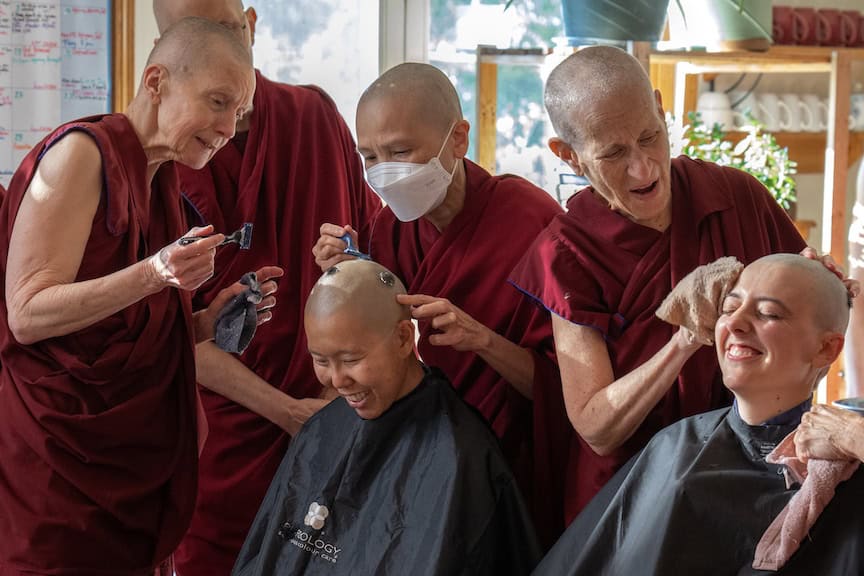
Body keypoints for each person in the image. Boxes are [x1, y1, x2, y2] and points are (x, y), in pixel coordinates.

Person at [0, 18, 279, 576]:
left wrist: (203, 321)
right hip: (59, 469)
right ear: (156, 81)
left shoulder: (160, 179)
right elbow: (27, 314)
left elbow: (125, 328)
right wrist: (156, 273)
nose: (228, 128)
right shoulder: (82, 155)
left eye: (238, 114)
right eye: (218, 102)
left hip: (127, 469)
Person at [508, 45, 808, 521]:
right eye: (613, 153)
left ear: (662, 110)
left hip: (755, 472)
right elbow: (596, 427)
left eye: (650, 136)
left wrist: (823, 287)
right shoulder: (565, 254)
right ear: (569, 156)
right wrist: (685, 340)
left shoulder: (735, 196)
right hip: (634, 496)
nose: (643, 167)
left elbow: (808, 323)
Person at [151, 2, 383, 573]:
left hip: (339, 417)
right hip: (224, 441)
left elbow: (374, 252)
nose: (221, 56)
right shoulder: (161, 163)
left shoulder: (314, 116)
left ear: (252, 24)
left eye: (229, 30)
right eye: (195, 39)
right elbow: (172, 335)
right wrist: (288, 412)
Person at [312, 62, 568, 545]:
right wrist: (347, 275)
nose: (384, 172)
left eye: (401, 151)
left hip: (510, 468)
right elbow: (385, 351)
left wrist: (483, 341)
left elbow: (562, 389)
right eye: (369, 157)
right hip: (421, 460)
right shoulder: (387, 230)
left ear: (458, 138)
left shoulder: (534, 225)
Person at [534, 254, 864, 576]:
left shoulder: (845, 476)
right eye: (729, 308)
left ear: (826, 349)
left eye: (769, 314)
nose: (734, 323)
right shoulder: (675, 448)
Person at [232, 259, 542, 576]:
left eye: (351, 359)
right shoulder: (322, 429)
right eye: (321, 360)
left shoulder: (460, 457)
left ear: (404, 338)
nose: (336, 380)